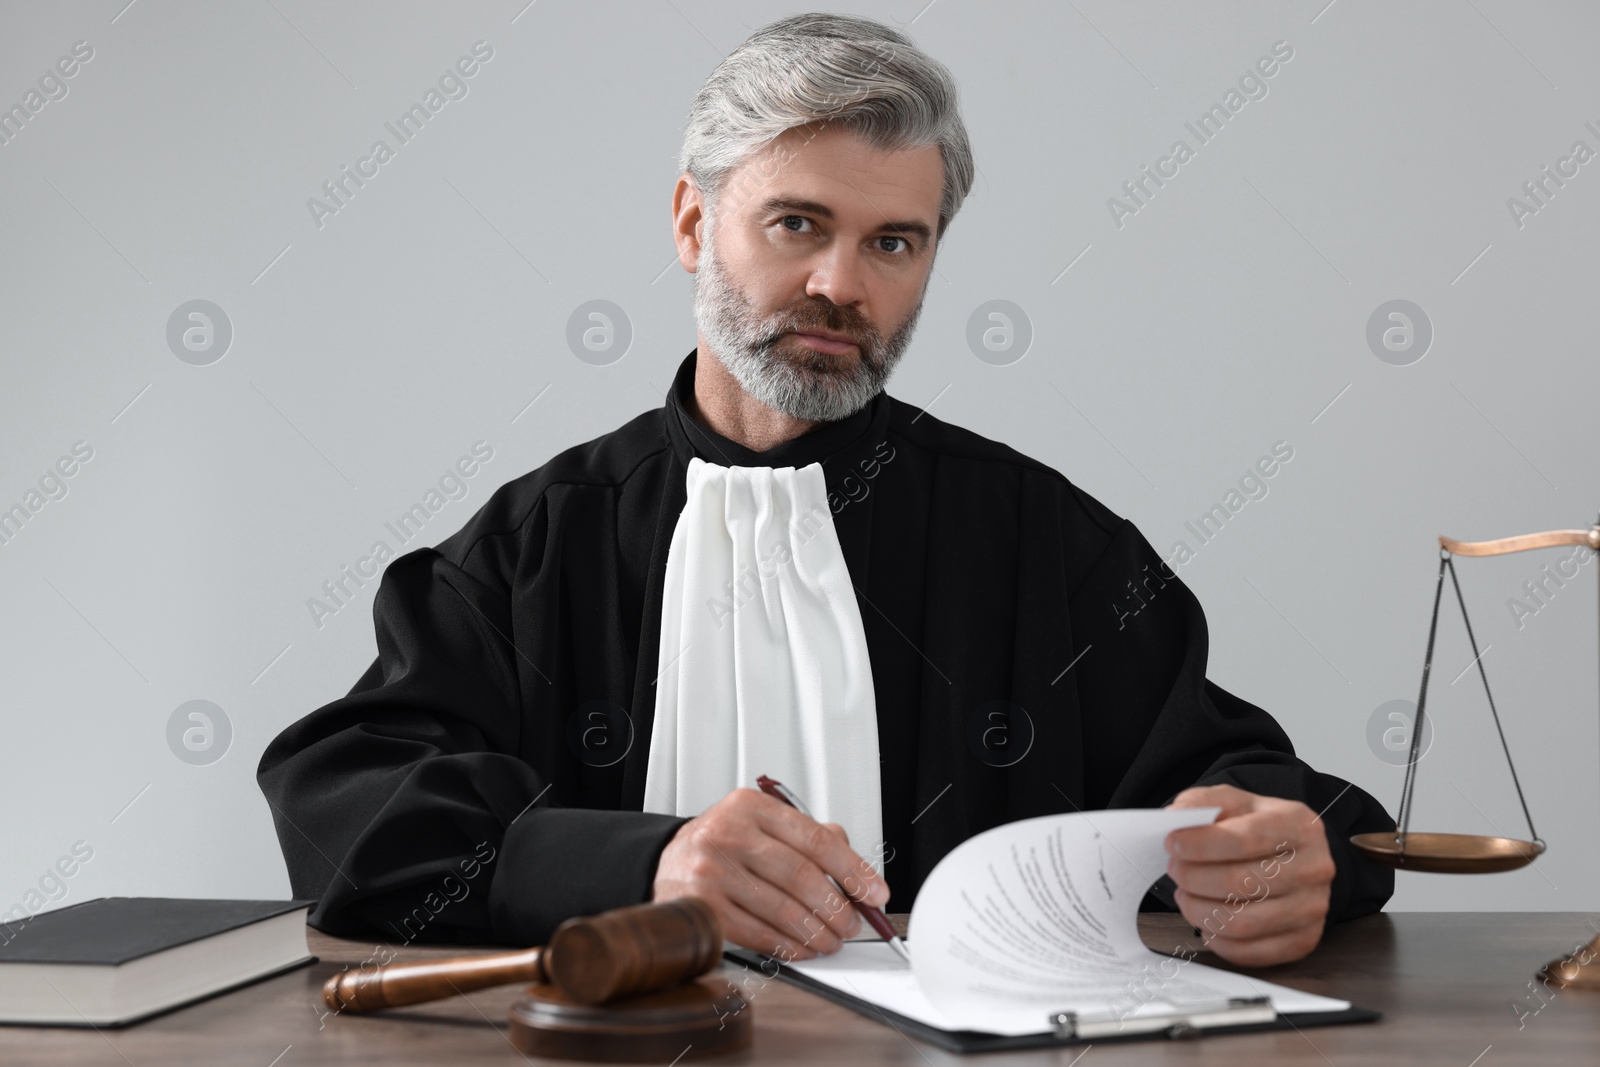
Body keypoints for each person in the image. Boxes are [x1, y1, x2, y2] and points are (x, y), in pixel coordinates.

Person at [257, 12, 1394, 970]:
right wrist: (641, 863)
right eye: (797, 222)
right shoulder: (532, 545)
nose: (841, 285)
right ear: (694, 223)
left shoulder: (1042, 538)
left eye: (894, 242)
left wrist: (1299, 857)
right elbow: (345, 805)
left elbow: (1242, 786)